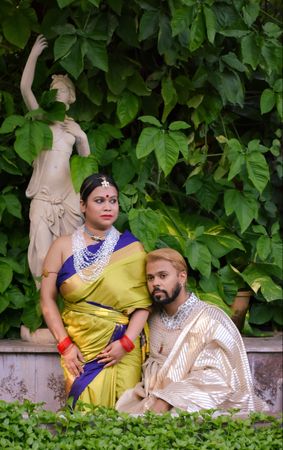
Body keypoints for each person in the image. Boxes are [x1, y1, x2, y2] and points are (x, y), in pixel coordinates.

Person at [40, 173, 151, 408]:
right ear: (83, 205)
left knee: (126, 417)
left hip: (122, 349)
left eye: (113, 200)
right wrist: (65, 346)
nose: (108, 206)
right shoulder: (61, 246)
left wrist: (126, 344)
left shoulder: (132, 250)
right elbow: (47, 301)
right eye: (99, 200)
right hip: (79, 349)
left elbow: (143, 305)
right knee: (84, 417)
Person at [116, 248, 268, 414]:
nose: (156, 283)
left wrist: (168, 399)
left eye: (163, 275)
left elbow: (217, 378)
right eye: (150, 278)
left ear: (182, 277)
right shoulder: (149, 319)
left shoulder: (210, 320)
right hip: (148, 404)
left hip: (192, 407)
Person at [20, 34, 90, 284]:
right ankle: (43, 308)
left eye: (61, 90)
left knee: (69, 256)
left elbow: (86, 168)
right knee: (41, 256)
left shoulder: (74, 128)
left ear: (70, 97)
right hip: (44, 195)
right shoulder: (41, 121)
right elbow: (25, 88)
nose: (56, 93)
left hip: (68, 197)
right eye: (53, 90)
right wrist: (34, 54)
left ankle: (64, 312)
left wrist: (82, 139)